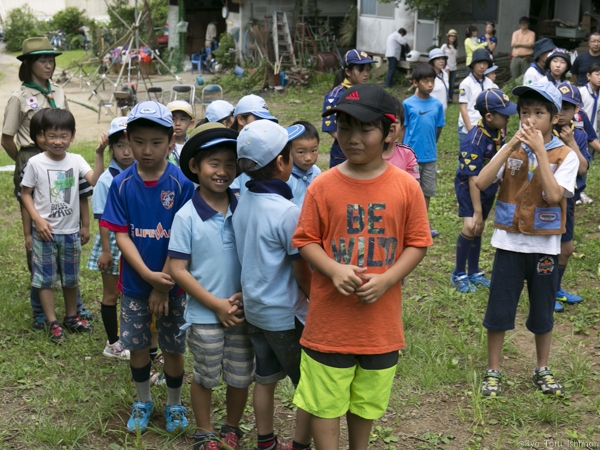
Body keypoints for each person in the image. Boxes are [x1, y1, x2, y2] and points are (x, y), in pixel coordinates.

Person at [294, 83, 432, 449]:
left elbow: (418, 243)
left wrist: (388, 278)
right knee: (325, 402)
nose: (352, 137)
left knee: (367, 403)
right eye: (344, 126)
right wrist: (333, 269)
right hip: (329, 324)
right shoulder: (322, 187)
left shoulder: (406, 187)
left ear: (390, 132)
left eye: (365, 128)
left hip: (379, 325)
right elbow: (305, 240)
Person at [476, 82, 579, 397]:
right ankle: (494, 370)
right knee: (499, 308)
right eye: (524, 113)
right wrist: (508, 147)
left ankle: (542, 368)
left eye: (538, 113)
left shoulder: (566, 155)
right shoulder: (511, 148)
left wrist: (539, 153)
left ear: (554, 117)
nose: (530, 120)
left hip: (545, 247)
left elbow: (552, 195)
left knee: (542, 309)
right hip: (508, 244)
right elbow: (481, 181)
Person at [100, 101, 196, 434]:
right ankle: (142, 401)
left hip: (175, 285)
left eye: (156, 142)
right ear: (127, 138)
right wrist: (147, 277)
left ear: (171, 141)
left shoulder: (183, 184)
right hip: (135, 287)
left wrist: (163, 284)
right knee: (138, 347)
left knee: (172, 347)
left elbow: (184, 239)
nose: (146, 150)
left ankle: (174, 403)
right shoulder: (122, 184)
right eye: (139, 141)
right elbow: (121, 234)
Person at [168, 123, 254, 450]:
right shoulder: (186, 216)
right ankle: (204, 431)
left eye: (230, 164)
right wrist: (216, 304)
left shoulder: (244, 205)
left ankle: (232, 426)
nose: (222, 171)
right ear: (195, 166)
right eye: (214, 163)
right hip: (205, 315)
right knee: (205, 375)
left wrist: (246, 295)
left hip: (242, 311)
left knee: (240, 375)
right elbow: (178, 269)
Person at [1, 36, 94, 328]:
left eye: (51, 60)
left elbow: (63, 125)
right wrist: (24, 160)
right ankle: (41, 311)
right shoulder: (19, 96)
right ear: (29, 64)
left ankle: (73, 308)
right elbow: (7, 137)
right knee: (37, 234)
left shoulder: (58, 91)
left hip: (60, 160)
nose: (49, 65)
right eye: (43, 60)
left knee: (64, 224)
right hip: (31, 158)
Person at [232, 120, 312, 450]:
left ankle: (265, 441)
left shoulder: (241, 202)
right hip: (286, 316)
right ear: (282, 163)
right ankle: (300, 444)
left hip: (255, 311)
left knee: (264, 379)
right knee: (308, 383)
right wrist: (316, 300)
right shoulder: (286, 212)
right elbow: (301, 270)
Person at [20, 109, 95, 343]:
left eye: (64, 136)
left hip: (71, 233)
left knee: (71, 279)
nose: (58, 141)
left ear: (72, 136)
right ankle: (52, 321)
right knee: (45, 280)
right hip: (45, 234)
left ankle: (71, 317)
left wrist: (85, 225)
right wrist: (37, 222)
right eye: (52, 136)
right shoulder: (34, 163)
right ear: (42, 135)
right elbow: (25, 194)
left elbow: (94, 181)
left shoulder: (76, 161)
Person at [451, 89, 518, 293]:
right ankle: (458, 273)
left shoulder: (498, 130)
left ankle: (474, 271)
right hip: (469, 188)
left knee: (478, 229)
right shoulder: (474, 141)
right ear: (489, 116)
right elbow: (472, 180)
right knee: (471, 225)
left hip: (488, 187)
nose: (507, 118)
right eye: (504, 114)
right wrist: (477, 211)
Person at [87, 118, 133, 358]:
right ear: (111, 148)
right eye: (119, 146)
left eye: (130, 144)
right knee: (111, 294)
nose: (126, 151)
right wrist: (106, 251)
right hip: (113, 244)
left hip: (135, 242)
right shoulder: (107, 179)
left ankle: (128, 337)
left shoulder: (140, 173)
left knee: (131, 292)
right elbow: (103, 221)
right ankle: (113, 343)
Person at [553, 82, 590, 311]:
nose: (561, 112)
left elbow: (582, 168)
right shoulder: (544, 131)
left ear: (576, 108)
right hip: (547, 198)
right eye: (557, 105)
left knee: (566, 249)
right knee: (547, 247)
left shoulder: (579, 135)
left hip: (567, 198)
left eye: (566, 108)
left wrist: (572, 143)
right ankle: (545, 292)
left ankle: (555, 288)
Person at [403, 63, 445, 236]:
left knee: (426, 192)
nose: (430, 85)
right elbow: (402, 129)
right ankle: (406, 224)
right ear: (415, 83)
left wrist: (430, 145)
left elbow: (438, 128)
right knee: (410, 192)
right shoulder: (407, 104)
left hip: (429, 156)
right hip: (410, 157)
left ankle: (422, 224)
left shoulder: (437, 105)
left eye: (432, 81)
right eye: (426, 81)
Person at [322, 49, 374, 168]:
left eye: (368, 69)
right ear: (348, 71)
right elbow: (332, 130)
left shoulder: (368, 92)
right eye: (361, 69)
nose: (365, 74)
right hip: (343, 153)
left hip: (366, 151)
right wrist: (355, 142)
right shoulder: (335, 96)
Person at [458, 49, 495, 145]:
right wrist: (471, 130)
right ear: (473, 64)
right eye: (479, 63)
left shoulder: (489, 82)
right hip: (468, 128)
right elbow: (463, 108)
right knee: (467, 157)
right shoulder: (466, 83)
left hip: (485, 128)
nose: (482, 66)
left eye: (485, 63)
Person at [286, 120, 321, 207]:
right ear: (289, 151)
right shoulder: (286, 177)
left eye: (313, 151)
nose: (308, 158)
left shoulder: (316, 172)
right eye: (301, 152)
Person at [383, 98, 420, 179]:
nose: (391, 127)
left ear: (402, 126)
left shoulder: (408, 154)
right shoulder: (366, 154)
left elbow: (414, 186)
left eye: (396, 122)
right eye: (386, 121)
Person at [167, 100, 195, 166]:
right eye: (173, 119)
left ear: (191, 123)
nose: (177, 123)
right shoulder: (163, 145)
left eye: (182, 119)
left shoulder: (193, 145)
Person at [441, 30, 459, 103]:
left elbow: (455, 56)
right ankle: (444, 98)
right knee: (445, 83)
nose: (453, 38)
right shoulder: (444, 46)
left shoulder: (456, 47)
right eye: (451, 36)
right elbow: (440, 55)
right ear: (448, 37)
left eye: (454, 36)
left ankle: (450, 98)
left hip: (454, 68)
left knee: (452, 85)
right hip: (446, 68)